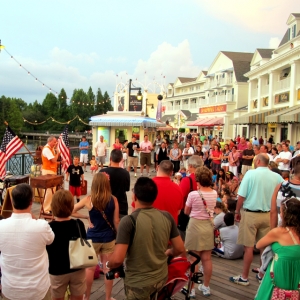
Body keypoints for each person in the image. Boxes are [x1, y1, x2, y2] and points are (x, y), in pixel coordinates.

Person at [107, 177, 185, 300]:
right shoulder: (167, 216)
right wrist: (169, 252)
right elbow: (180, 248)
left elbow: (117, 260)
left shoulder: (128, 221)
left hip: (138, 283)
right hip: (161, 277)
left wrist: (108, 264)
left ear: (134, 197)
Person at [229, 154, 283, 286]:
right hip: (268, 214)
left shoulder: (250, 174)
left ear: (258, 161)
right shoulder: (277, 176)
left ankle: (244, 277)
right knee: (264, 247)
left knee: (248, 247)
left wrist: (237, 211)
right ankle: (261, 275)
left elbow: (241, 196)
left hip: (251, 213)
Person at [0, 184, 54, 300]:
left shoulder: (1, 226)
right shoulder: (41, 226)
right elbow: (51, 239)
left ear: (12, 201)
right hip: (38, 290)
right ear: (31, 202)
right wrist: (34, 218)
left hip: (10, 289)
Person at [72, 173, 119, 300]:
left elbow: (71, 210)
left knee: (90, 269)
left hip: (92, 237)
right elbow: (116, 221)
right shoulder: (113, 199)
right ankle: (108, 298)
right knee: (108, 268)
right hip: (109, 238)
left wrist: (86, 217)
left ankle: (86, 297)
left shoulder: (88, 199)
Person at [255, 198, 300, 299]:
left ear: (285, 214)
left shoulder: (279, 232)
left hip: (280, 272)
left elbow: (258, 245)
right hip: (297, 272)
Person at [46, 189, 87, 300]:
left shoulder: (49, 227)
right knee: (78, 297)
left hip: (57, 269)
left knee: (57, 297)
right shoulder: (78, 224)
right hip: (77, 267)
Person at [184, 166, 217, 297]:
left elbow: (186, 211)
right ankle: (206, 286)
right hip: (208, 225)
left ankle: (191, 288)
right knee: (207, 258)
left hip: (195, 225)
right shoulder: (214, 193)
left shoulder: (193, 194)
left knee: (193, 259)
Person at [100, 149, 130, 218]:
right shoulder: (125, 173)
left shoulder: (102, 172)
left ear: (110, 158)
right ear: (121, 159)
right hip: (121, 206)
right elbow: (126, 188)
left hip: (105, 205)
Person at [179, 156, 203, 239]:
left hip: (188, 213)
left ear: (191, 166)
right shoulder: (206, 179)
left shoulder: (187, 180)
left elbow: (180, 197)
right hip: (203, 213)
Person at [270, 163, 300, 228]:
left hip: (281, 229)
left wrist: (273, 230)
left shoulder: (280, 186)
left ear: (292, 172)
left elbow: (273, 211)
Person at [42, 136, 61, 214]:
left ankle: (50, 207)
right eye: (54, 142)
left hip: (52, 171)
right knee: (48, 191)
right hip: (47, 171)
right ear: (50, 141)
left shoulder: (51, 149)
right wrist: (58, 153)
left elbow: (54, 160)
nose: (55, 143)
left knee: (52, 190)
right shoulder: (46, 149)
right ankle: (46, 209)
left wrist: (60, 162)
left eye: (56, 142)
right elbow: (53, 160)